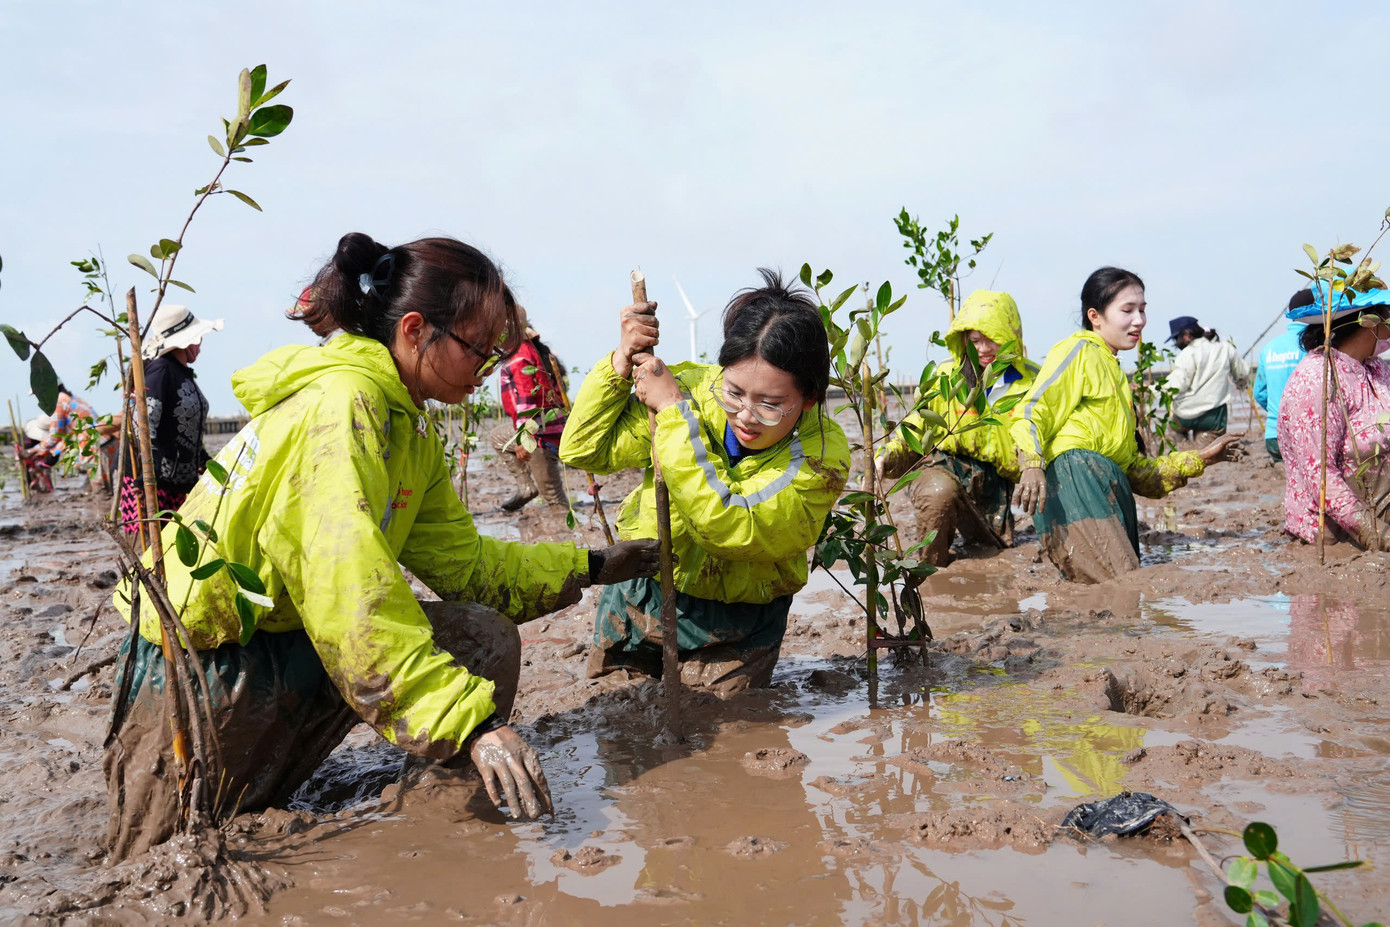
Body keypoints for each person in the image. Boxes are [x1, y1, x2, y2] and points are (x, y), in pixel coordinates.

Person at [104, 233, 660, 859]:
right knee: (167, 855)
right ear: (416, 332)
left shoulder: (408, 424)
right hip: (204, 662)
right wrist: (470, 724)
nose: (488, 368)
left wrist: (592, 565)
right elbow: (351, 596)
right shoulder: (343, 408)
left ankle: (445, 831)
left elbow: (468, 565)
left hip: (292, 636)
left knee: (481, 637)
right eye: (479, 347)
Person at [560, 269, 851, 696]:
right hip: (643, 594)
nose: (746, 416)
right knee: (616, 714)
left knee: (720, 723)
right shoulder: (692, 390)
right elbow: (583, 449)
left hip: (739, 624)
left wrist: (674, 416)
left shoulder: (821, 455)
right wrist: (620, 361)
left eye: (770, 404)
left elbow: (732, 525)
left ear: (809, 398)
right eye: (734, 392)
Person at [1011, 267, 1241, 583]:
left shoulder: (1116, 374)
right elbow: (1032, 411)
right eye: (1128, 310)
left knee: (1113, 593)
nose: (1140, 320)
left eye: (1142, 310)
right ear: (1095, 316)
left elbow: (1133, 470)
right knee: (1125, 587)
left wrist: (1200, 459)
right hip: (1074, 482)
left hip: (1106, 488)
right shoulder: (1078, 352)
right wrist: (1031, 465)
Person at [875, 289, 1038, 566]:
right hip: (943, 468)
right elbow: (916, 425)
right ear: (963, 340)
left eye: (992, 339)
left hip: (993, 486)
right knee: (938, 492)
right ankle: (930, 569)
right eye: (975, 341)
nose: (983, 349)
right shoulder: (946, 376)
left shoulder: (1032, 381)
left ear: (1010, 336)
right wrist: (885, 457)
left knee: (991, 549)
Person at [1278, 281, 1390, 549]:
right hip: (1337, 539)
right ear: (1368, 322)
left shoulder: (1377, 369)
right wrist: (1380, 536)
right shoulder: (1317, 380)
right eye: (1387, 314)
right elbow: (1322, 479)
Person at [118, 304, 222, 535]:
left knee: (178, 544)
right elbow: (144, 425)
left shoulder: (180, 372)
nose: (200, 346)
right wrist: (147, 477)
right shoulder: (161, 371)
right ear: (186, 341)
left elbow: (183, 431)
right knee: (155, 547)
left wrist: (207, 464)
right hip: (154, 484)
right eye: (198, 339)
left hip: (176, 483)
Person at [490, 306, 570, 511]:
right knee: (497, 437)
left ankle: (565, 528)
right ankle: (526, 487)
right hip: (549, 426)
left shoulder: (519, 355)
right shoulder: (530, 350)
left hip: (539, 434)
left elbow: (527, 398)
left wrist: (524, 438)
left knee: (554, 498)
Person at [1164, 315, 1248, 445]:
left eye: (1176, 339)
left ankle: (1185, 450)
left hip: (1184, 415)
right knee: (1208, 450)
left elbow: (1178, 384)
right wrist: (1240, 384)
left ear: (1186, 336)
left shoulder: (1187, 353)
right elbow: (1242, 373)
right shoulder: (1225, 348)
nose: (1176, 343)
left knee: (1175, 434)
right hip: (1213, 417)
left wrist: (1151, 389)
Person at [1252, 290, 1312, 461]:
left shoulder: (1270, 348)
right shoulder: (1313, 346)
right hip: (1305, 434)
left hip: (1274, 435)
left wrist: (1278, 412)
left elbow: (1259, 393)